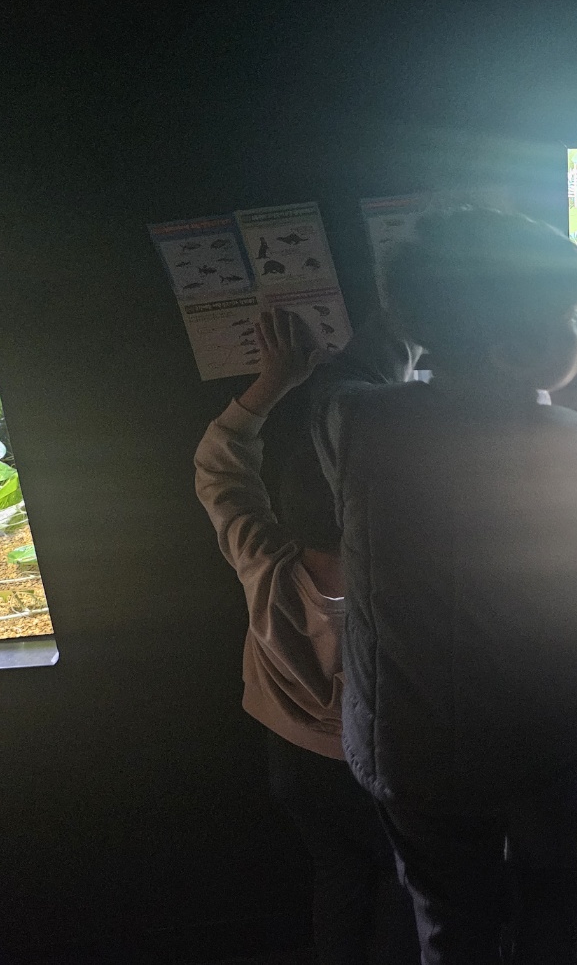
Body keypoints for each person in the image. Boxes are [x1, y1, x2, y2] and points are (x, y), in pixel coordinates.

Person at [327, 208, 577, 965]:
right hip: (547, 737)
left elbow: (362, 376)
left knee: (449, 914)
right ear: (514, 350)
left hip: (413, 745)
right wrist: (573, 397)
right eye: (572, 317)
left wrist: (414, 304)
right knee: (554, 885)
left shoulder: (359, 422)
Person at [193, 307, 418, 965]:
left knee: (338, 875)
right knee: (406, 884)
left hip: (295, 764)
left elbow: (220, 470)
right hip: (388, 770)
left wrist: (274, 381)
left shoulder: (262, 562)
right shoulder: (415, 597)